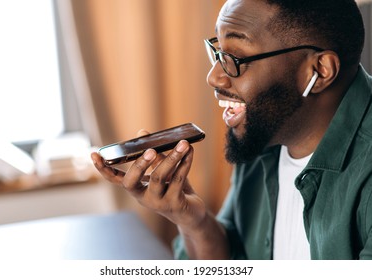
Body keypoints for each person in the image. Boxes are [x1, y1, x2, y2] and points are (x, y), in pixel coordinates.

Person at [91, 0, 372, 260]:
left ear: (319, 71)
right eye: (217, 51)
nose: (213, 76)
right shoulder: (265, 132)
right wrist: (192, 221)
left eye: (235, 58)